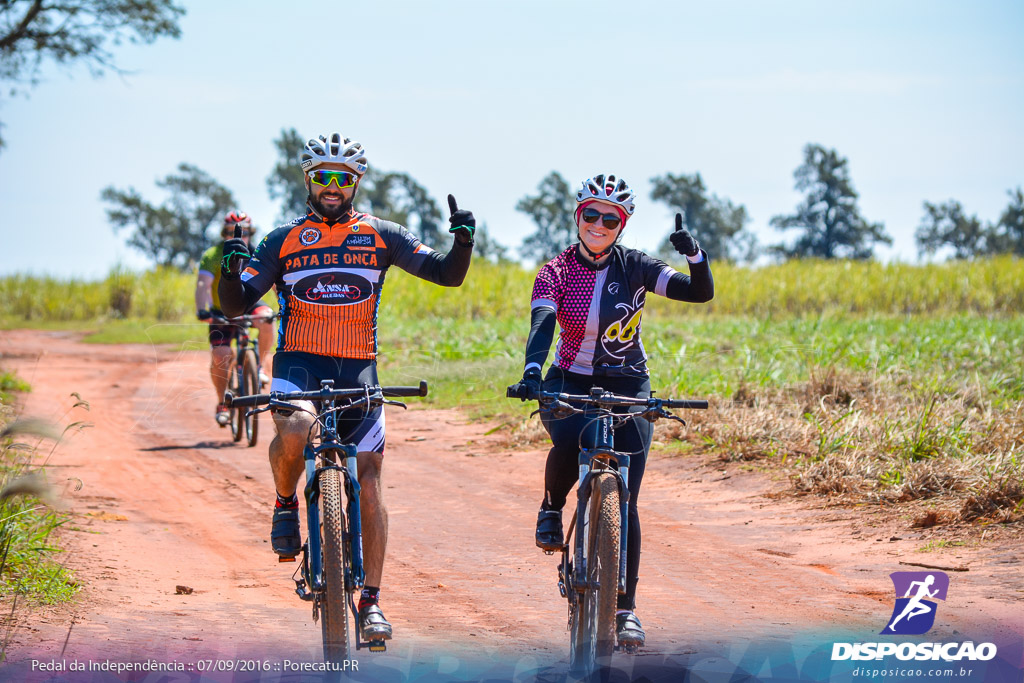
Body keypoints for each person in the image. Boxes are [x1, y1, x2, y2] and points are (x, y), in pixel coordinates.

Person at [217, 132, 476, 644]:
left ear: (356, 182)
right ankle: (286, 503)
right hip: (299, 365)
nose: (332, 186)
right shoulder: (281, 239)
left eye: (343, 178)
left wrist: (463, 241)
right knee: (295, 428)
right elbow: (234, 303)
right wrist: (230, 275)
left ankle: (373, 601)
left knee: (372, 474)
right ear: (309, 181)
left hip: (359, 368)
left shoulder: (382, 234)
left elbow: (447, 276)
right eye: (322, 177)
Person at [509, 173, 713, 649]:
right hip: (569, 377)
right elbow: (543, 324)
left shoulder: (636, 266)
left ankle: (625, 611)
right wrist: (533, 371)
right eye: (591, 215)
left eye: (610, 217)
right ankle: (552, 506)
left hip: (627, 381)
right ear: (578, 216)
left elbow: (697, 293)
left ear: (622, 224)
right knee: (570, 436)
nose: (599, 224)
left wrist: (695, 255)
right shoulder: (555, 271)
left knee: (628, 500)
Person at [195, 211, 274, 427]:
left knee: (268, 319)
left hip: (250, 303)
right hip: (221, 309)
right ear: (224, 234)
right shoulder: (213, 255)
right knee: (222, 355)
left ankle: (260, 367)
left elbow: (275, 281)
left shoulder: (259, 253)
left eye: (244, 232)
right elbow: (203, 284)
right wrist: (203, 309)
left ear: (250, 233)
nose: (239, 236)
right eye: (231, 232)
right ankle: (222, 402)